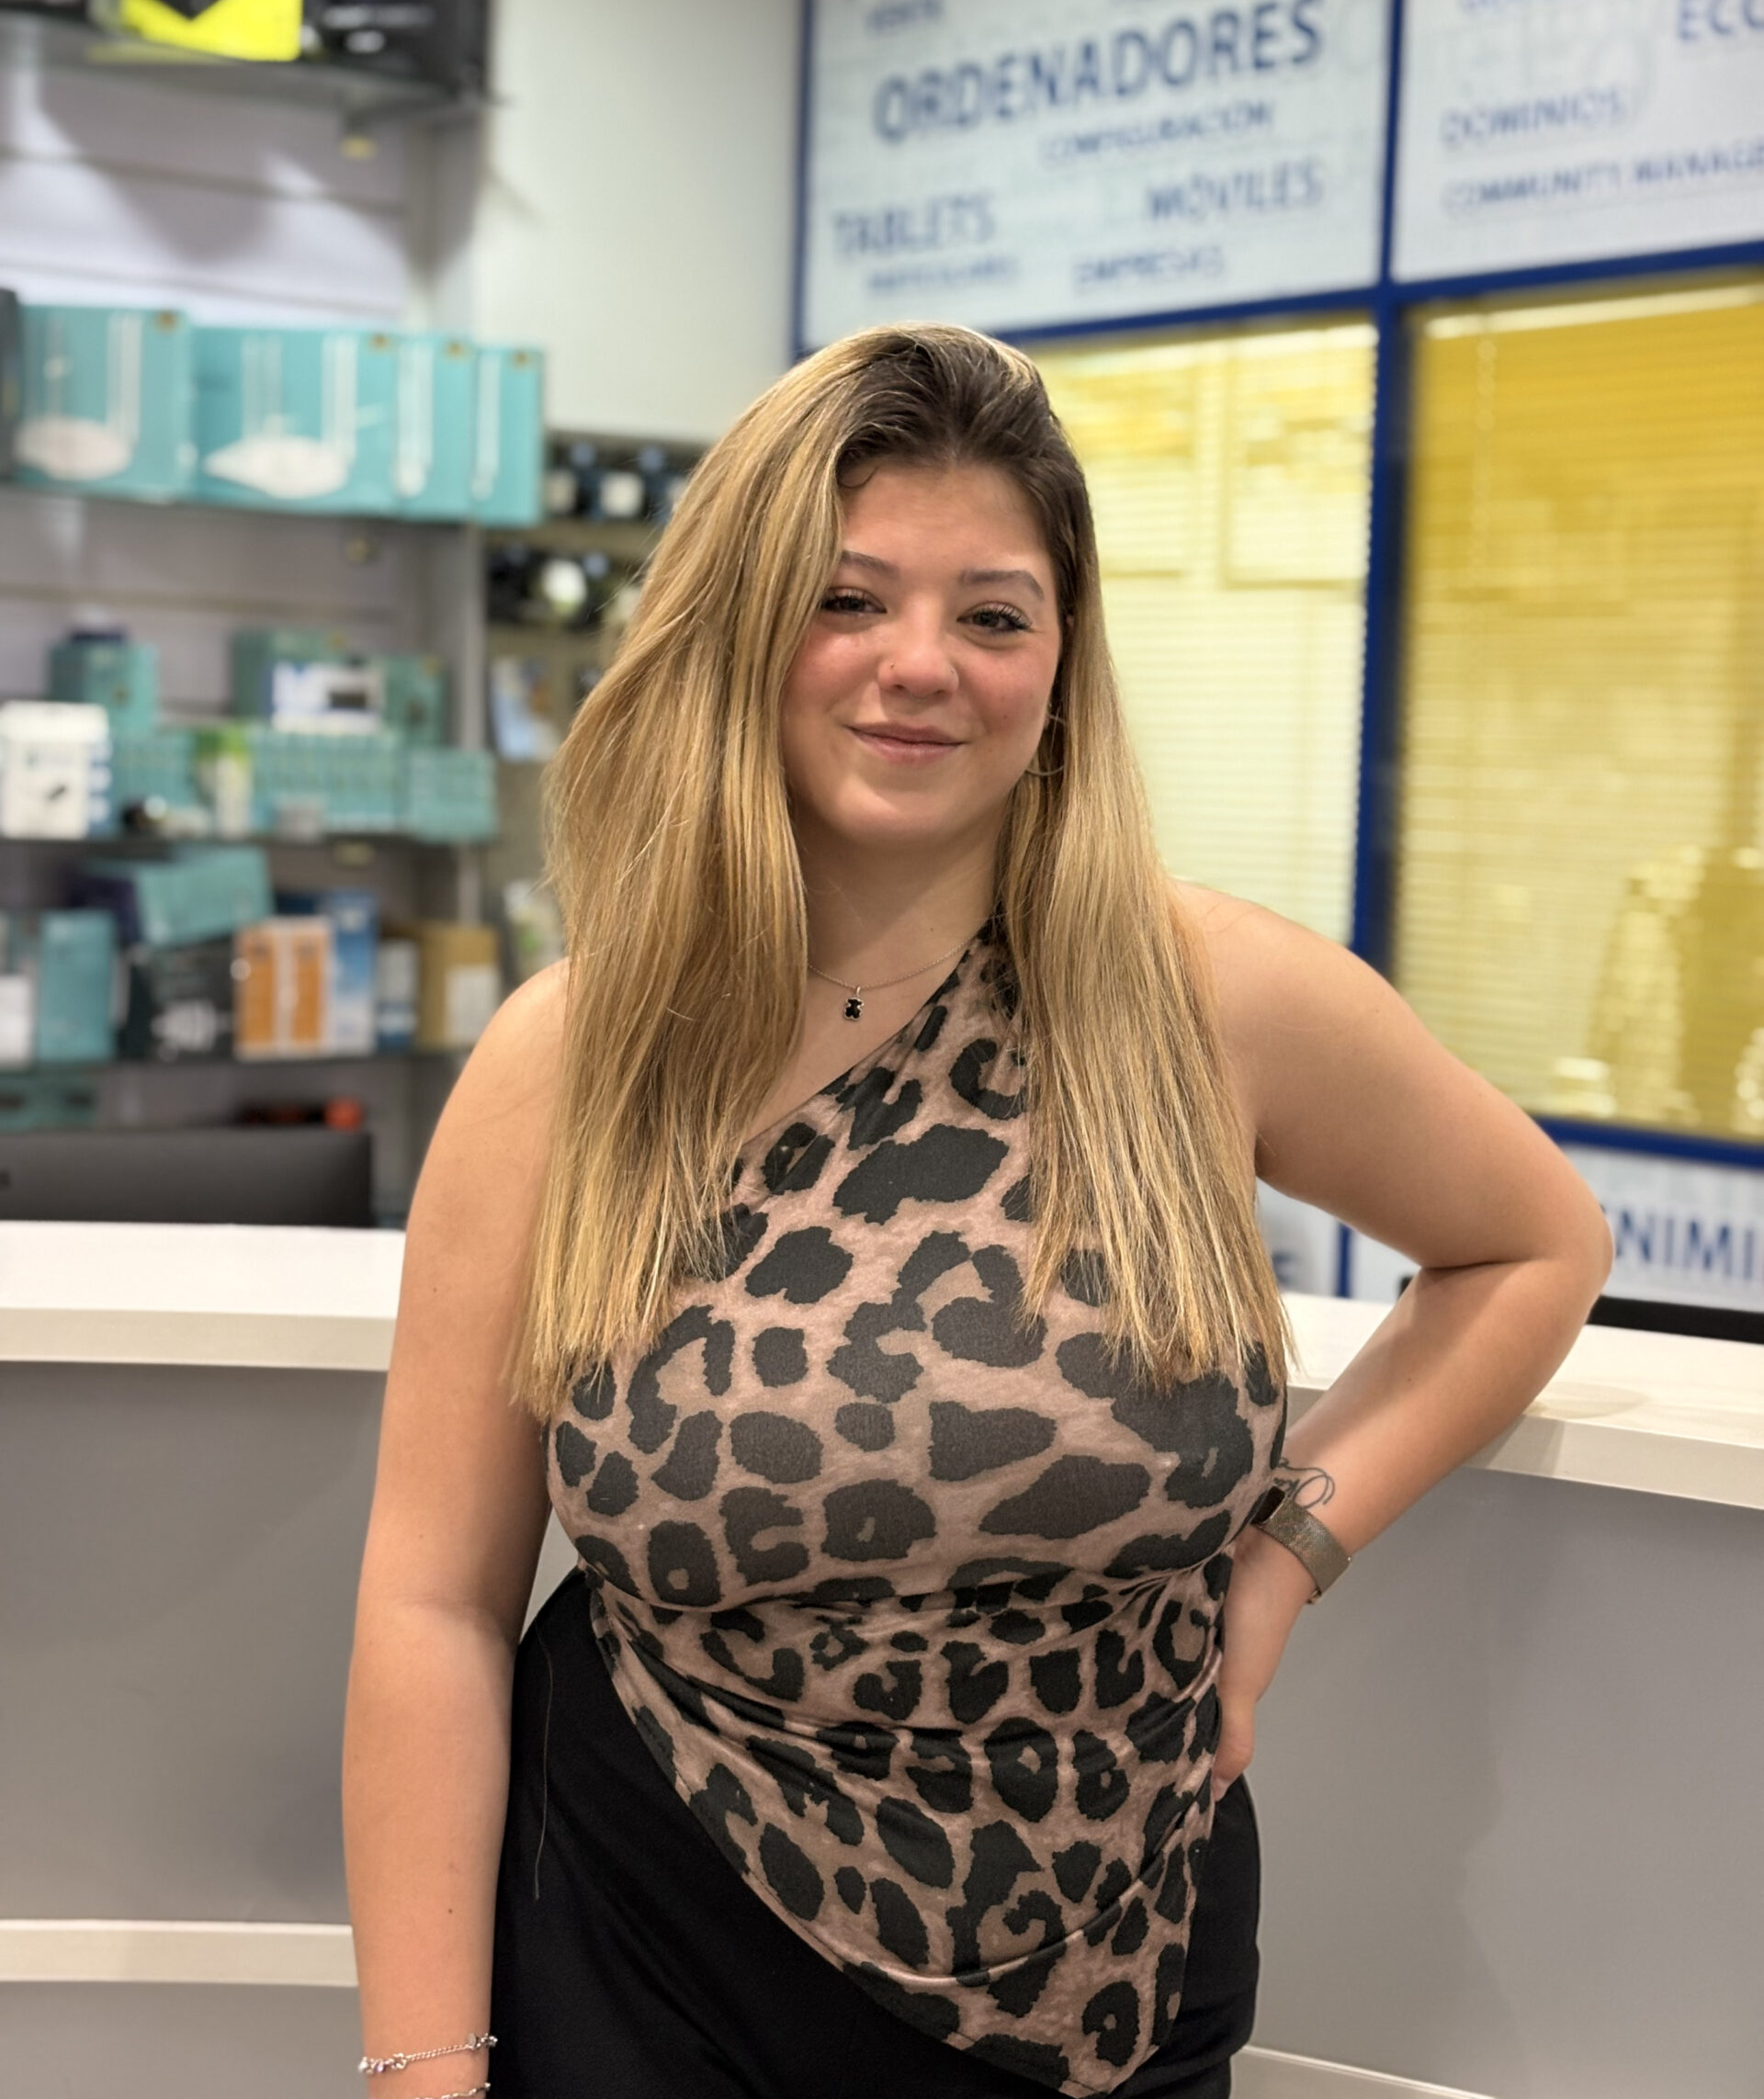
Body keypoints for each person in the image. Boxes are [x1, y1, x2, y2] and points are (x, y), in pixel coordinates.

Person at [344, 323, 1611, 2099]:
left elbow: (1535, 1245)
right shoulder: (579, 1058)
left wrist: (1283, 1559)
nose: (920, 666)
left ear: (1063, 662)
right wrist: (421, 2076)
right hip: (653, 1938)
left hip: (1120, 1956)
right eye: (846, 600)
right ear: (738, 629)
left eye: (994, 615)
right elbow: (435, 1608)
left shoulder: (1211, 999)